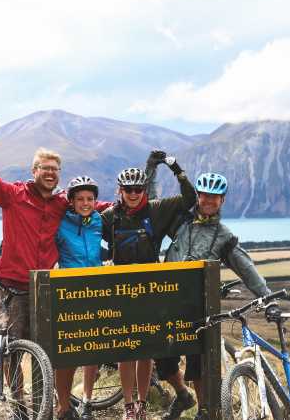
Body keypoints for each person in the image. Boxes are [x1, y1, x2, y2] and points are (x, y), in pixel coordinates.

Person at [157, 172, 276, 420]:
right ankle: (182, 394)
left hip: (200, 307)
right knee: (164, 358)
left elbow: (245, 267)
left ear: (222, 200)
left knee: (198, 362)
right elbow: (150, 208)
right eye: (204, 195)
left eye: (214, 197)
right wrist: (153, 168)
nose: (208, 200)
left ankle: (204, 412)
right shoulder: (180, 222)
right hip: (168, 302)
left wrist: (267, 297)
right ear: (198, 197)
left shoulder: (224, 235)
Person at [101, 151, 196, 420]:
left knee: (146, 351)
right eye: (128, 189)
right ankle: (128, 405)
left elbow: (189, 199)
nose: (133, 193)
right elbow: (85, 230)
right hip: (120, 291)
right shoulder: (109, 216)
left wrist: (176, 167)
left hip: (151, 290)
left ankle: (142, 404)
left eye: (138, 189)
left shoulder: (155, 209)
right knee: (125, 349)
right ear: (120, 190)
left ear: (144, 189)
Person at [0, 118, 68, 342]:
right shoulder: (14, 196)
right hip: (10, 285)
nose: (51, 173)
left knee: (44, 348)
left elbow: (90, 206)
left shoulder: (62, 204)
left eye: (55, 169)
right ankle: (10, 379)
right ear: (34, 170)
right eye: (45, 168)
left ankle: (40, 380)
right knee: (9, 347)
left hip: (43, 286)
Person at [53, 176, 104, 420]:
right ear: (70, 201)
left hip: (95, 289)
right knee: (69, 353)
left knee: (91, 349)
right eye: (80, 199)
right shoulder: (60, 222)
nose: (85, 203)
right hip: (69, 292)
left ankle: (87, 400)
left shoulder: (98, 221)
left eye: (90, 199)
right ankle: (63, 405)